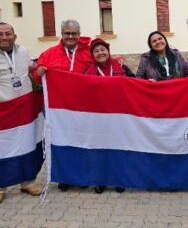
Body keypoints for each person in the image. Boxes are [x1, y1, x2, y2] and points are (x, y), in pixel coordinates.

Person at [34, 19, 92, 192]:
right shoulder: (49, 53)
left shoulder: (89, 52)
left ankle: (82, 176)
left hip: (82, 106)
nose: (70, 36)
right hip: (57, 108)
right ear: (62, 34)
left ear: (79, 35)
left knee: (82, 140)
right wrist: (38, 73)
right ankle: (64, 177)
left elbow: (102, 68)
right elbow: (37, 76)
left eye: (74, 33)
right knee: (60, 141)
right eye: (67, 33)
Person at [0, 22, 42, 203]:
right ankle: (1, 186)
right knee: (3, 147)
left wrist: (39, 69)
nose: (4, 37)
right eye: (0, 34)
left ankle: (27, 183)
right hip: (3, 110)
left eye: (8, 33)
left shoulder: (23, 51)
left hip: (24, 109)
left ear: (14, 36)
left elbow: (32, 68)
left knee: (26, 144)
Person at [86, 38, 134, 194]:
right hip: (98, 118)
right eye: (96, 51)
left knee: (120, 148)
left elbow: (135, 83)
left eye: (103, 49)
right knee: (100, 150)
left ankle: (119, 178)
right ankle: (101, 180)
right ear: (92, 55)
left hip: (119, 116)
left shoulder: (122, 67)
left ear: (108, 51)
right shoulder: (87, 72)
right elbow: (81, 92)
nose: (100, 53)